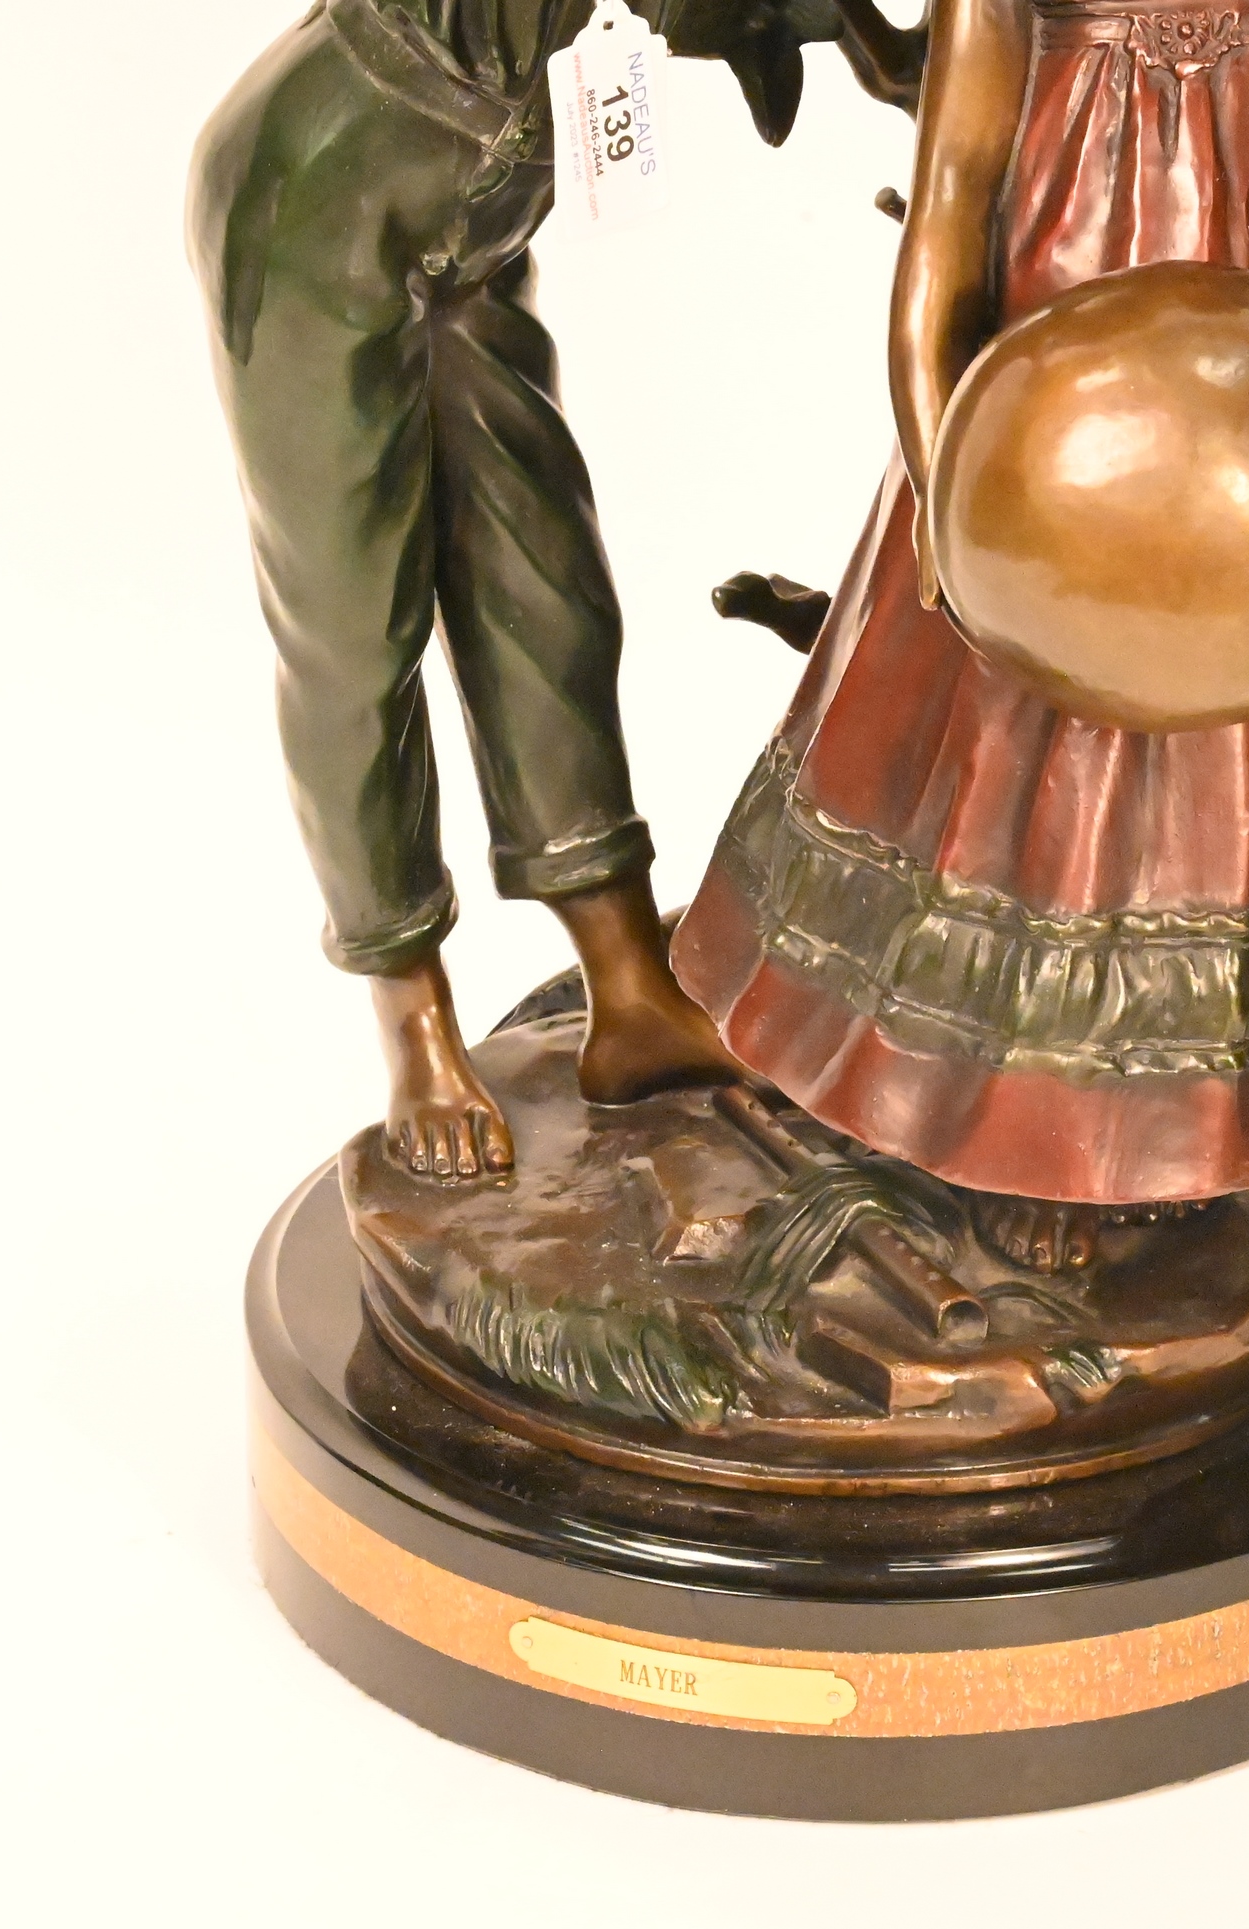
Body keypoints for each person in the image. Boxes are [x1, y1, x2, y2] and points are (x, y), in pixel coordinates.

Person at [671, 0, 1249, 1267]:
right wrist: (942, 478)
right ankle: (1032, 1117)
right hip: (1044, 371)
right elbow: (955, 179)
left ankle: (1215, 1103)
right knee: (1026, 748)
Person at [189, 0, 861, 1182]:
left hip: (476, 222)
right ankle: (412, 1009)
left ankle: (627, 979)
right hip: (313, 199)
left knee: (545, 582)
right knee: (354, 624)